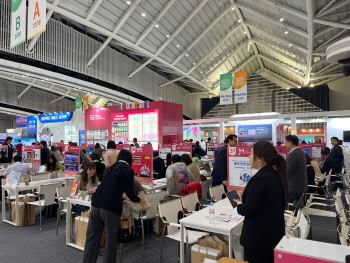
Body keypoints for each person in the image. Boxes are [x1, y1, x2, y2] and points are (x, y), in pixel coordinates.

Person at [83, 149, 146, 263]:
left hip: (96, 203)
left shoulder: (111, 168)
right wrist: (138, 200)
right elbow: (129, 192)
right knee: (110, 241)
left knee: (92, 238)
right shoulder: (128, 170)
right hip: (110, 207)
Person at [234, 141, 288, 263]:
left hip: (258, 239)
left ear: (261, 158)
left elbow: (249, 209)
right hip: (270, 235)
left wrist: (239, 205)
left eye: (251, 153)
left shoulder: (259, 180)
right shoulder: (274, 175)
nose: (248, 156)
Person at [285, 135, 307, 204]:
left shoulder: (294, 153)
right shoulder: (299, 151)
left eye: (285, 143)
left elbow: (288, 170)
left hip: (294, 187)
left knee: (293, 208)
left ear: (290, 143)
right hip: (298, 186)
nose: (285, 145)